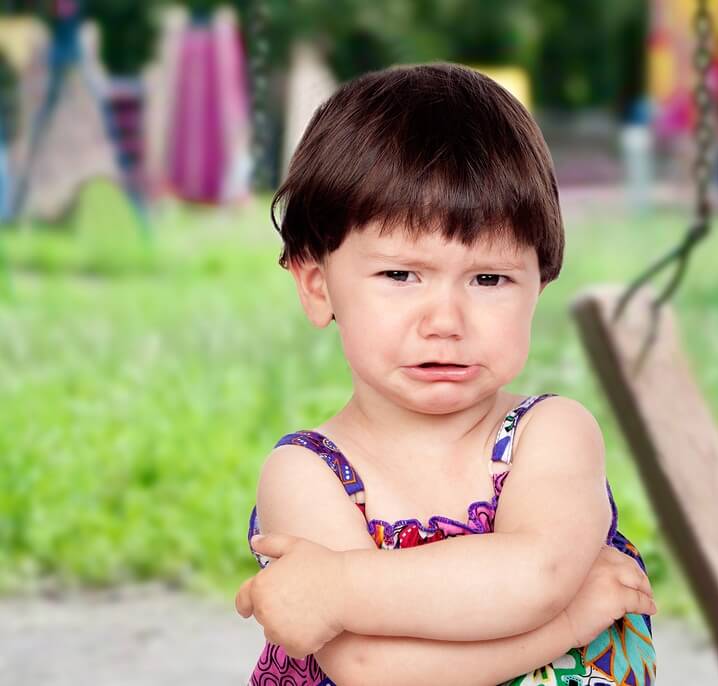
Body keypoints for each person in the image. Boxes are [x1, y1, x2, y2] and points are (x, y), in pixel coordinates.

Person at [234, 62, 658, 686]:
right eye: (401, 275)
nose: (445, 321)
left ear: (538, 285)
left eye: (489, 279)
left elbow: (535, 575)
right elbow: (370, 668)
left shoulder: (552, 435)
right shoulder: (306, 474)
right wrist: (574, 622)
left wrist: (338, 589)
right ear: (318, 286)